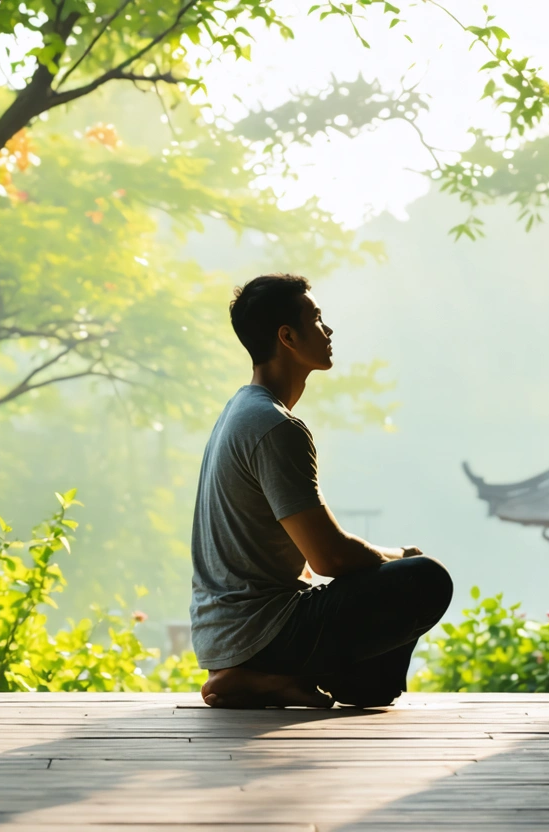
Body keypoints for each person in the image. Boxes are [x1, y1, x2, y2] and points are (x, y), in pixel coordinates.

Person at [190, 273, 453, 709]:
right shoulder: (275, 426)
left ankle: (265, 678)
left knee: (372, 691)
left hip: (224, 635)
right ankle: (262, 672)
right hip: (261, 630)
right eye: (316, 318)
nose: (327, 330)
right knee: (426, 577)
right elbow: (329, 557)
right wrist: (402, 557)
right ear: (287, 336)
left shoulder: (240, 410)